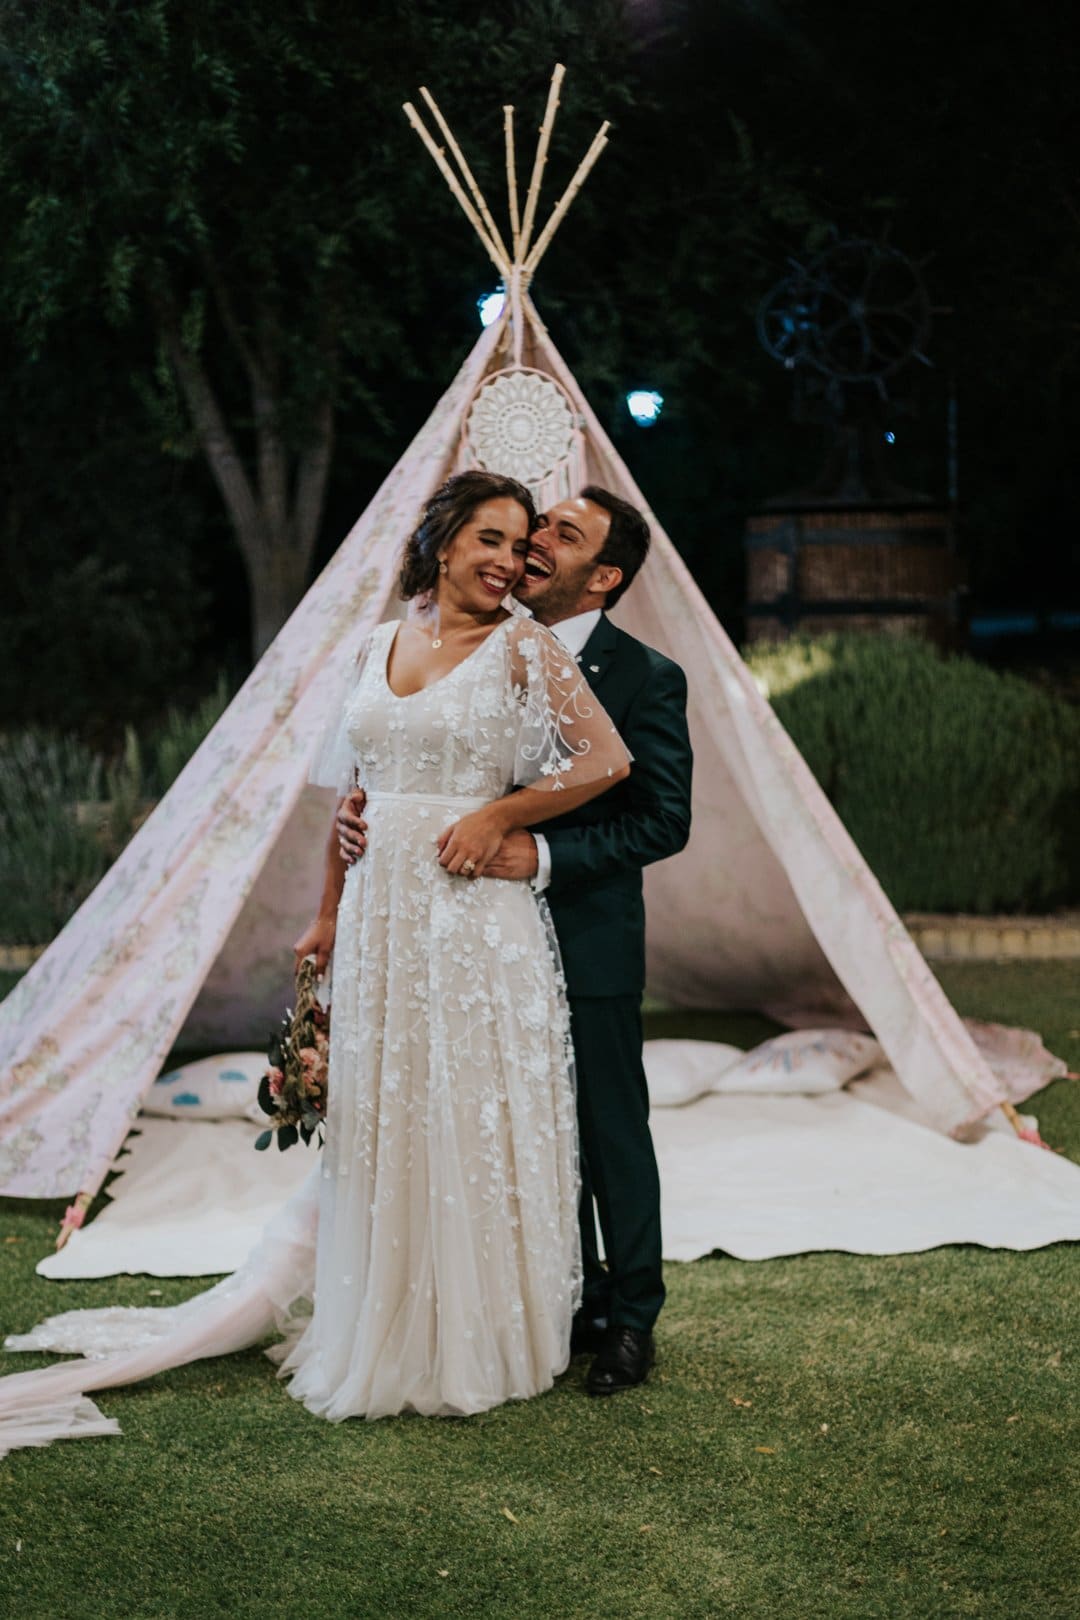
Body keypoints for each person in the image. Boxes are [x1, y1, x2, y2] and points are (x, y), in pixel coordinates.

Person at [0, 471, 631, 1452]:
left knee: (462, 1112)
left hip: (472, 917)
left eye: (519, 547)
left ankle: (469, 1338)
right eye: (491, 539)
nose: (508, 561)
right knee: (382, 1114)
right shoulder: (374, 646)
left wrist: (499, 813)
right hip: (378, 914)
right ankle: (375, 1311)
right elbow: (356, 796)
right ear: (443, 539)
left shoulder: (525, 648)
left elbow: (604, 762)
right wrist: (326, 918)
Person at [337, 486, 693, 1395]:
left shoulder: (647, 676)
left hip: (582, 930)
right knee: (506, 1128)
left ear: (604, 576)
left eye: (559, 536)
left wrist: (535, 851)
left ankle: (630, 1319)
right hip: (461, 933)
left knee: (608, 1131)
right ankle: (548, 1301)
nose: (533, 545)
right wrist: (366, 814)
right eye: (530, 530)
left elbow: (660, 821)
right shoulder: (469, 642)